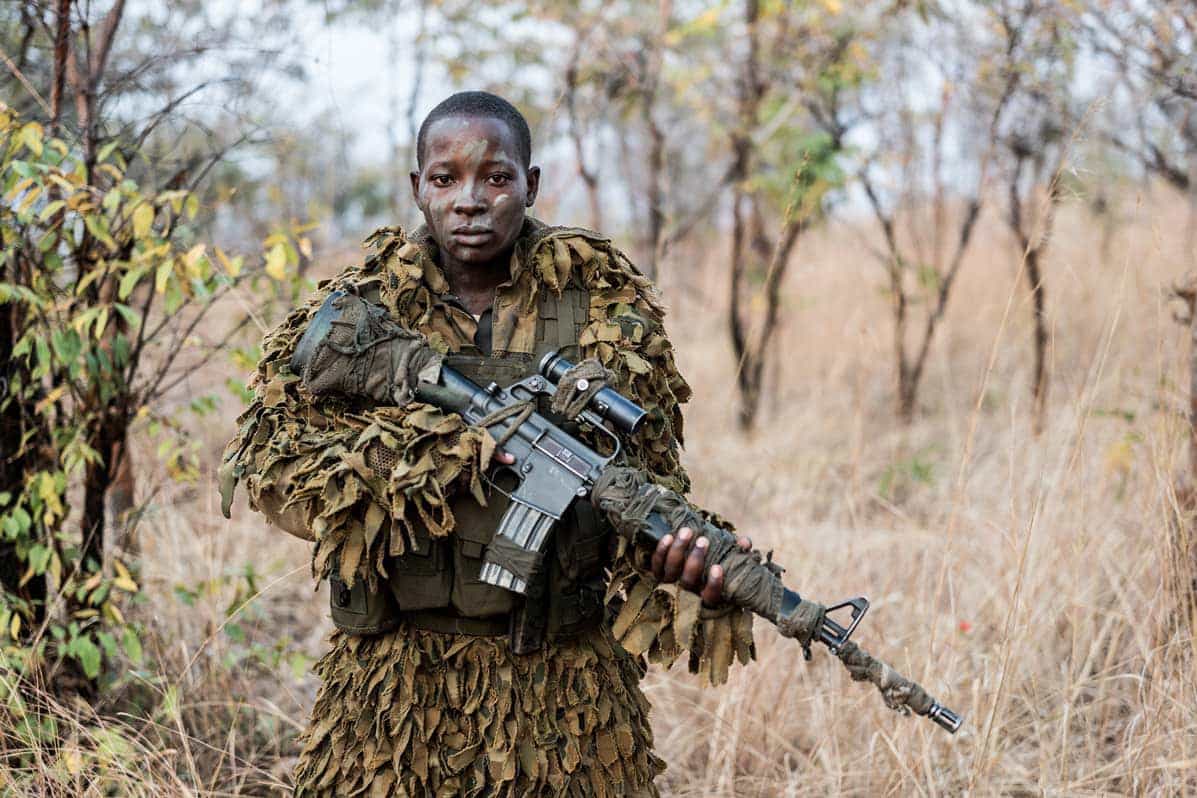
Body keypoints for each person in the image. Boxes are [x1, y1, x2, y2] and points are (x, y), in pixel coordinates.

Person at [219, 91, 758, 797]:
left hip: (565, 696)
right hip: (390, 692)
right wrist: (432, 463)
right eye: (445, 179)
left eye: (495, 178)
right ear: (417, 189)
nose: (469, 201)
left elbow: (647, 484)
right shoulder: (358, 314)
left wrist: (689, 572)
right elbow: (272, 473)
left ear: (530, 185)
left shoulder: (603, 309)